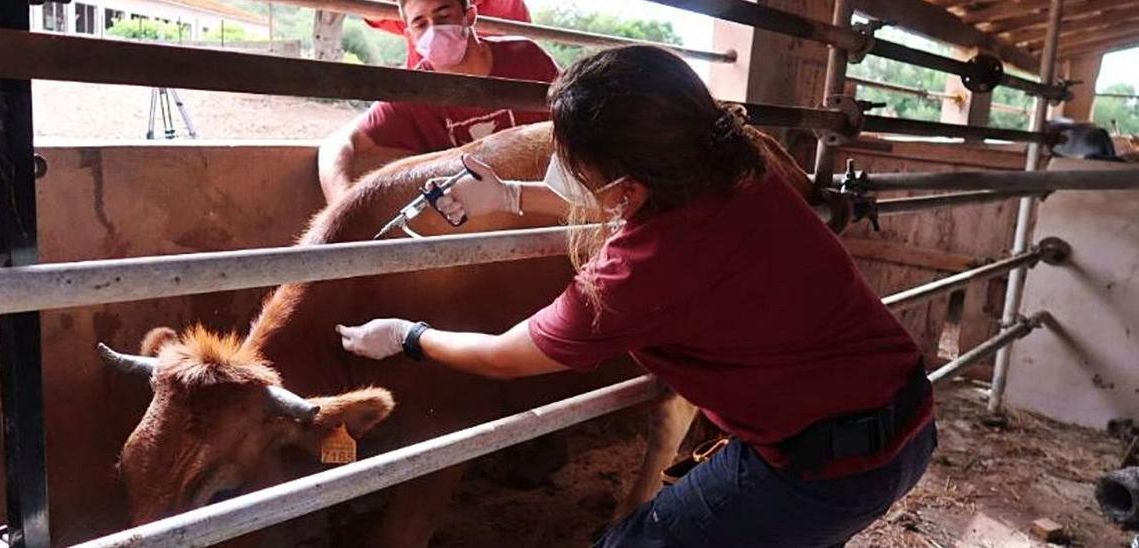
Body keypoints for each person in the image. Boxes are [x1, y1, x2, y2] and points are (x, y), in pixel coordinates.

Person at [336, 45, 936, 547]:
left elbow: (502, 357)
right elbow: (629, 202)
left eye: (573, 159)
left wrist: (408, 336)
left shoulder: (636, 273)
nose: (565, 168)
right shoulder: (743, 165)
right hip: (907, 416)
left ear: (625, 175)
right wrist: (512, 197)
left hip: (824, 470)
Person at [316, 0, 559, 204]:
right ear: (409, 34)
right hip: (480, 219)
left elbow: (579, 116)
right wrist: (345, 205)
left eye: (444, 16)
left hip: (544, 203)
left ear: (470, 16)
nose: (433, 30)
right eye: (420, 23)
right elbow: (335, 145)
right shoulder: (414, 91)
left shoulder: (527, 59)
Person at [364, 0, 533, 69]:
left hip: (495, 104)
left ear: (470, 16)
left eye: (444, 16)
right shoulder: (423, 6)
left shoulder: (508, 6)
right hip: (427, 106)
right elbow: (371, 11)